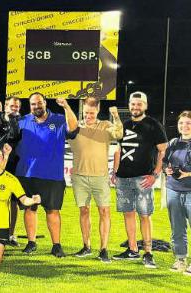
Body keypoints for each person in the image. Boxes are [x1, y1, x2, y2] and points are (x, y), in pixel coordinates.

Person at [15, 93, 77, 257]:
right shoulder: (23, 121)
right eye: (33, 104)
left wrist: (66, 106)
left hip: (51, 175)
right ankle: (31, 242)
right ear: (30, 105)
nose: (36, 106)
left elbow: (74, 128)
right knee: (30, 208)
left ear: (45, 103)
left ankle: (56, 245)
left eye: (39, 103)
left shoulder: (58, 119)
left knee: (53, 210)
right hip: (27, 174)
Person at [112, 91, 166, 268]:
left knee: (144, 215)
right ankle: (132, 249)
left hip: (143, 178)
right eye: (133, 104)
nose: (135, 107)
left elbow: (163, 151)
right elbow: (118, 150)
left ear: (145, 106)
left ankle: (148, 253)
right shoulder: (124, 125)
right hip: (123, 178)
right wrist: (114, 172)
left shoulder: (153, 125)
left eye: (139, 104)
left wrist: (155, 174)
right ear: (129, 105)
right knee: (128, 214)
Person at [66, 96, 122, 262]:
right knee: (84, 211)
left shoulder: (105, 125)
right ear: (82, 111)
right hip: (79, 177)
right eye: (86, 112)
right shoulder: (75, 126)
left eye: (91, 112)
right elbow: (67, 125)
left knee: (104, 211)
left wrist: (116, 116)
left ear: (97, 110)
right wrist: (65, 106)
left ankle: (103, 249)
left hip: (100, 177)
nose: (88, 115)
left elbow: (119, 134)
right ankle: (86, 246)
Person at [162, 111, 191, 276]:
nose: (184, 126)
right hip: (173, 190)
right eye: (181, 123)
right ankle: (180, 259)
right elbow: (164, 161)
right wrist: (166, 169)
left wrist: (188, 174)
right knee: (177, 228)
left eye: (188, 123)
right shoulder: (174, 142)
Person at [0, 96, 22, 246]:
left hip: (14, 166)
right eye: (12, 106)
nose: (14, 108)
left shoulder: (21, 122)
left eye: (17, 106)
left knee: (13, 202)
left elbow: (15, 136)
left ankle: (11, 235)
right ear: (6, 106)